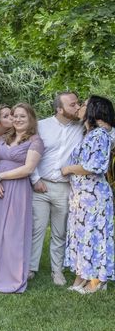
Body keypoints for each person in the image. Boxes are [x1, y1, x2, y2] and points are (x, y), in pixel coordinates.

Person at [0, 104, 44, 293]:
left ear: (31, 119)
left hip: (17, 188)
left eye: (22, 116)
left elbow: (28, 169)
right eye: (15, 116)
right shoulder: (2, 138)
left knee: (12, 233)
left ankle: (10, 277)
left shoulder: (35, 141)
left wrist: (0, 177)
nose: (17, 119)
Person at [29, 92, 83, 285]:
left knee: (60, 231)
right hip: (40, 185)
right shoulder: (42, 126)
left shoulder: (82, 127)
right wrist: (35, 179)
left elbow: (110, 134)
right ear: (59, 109)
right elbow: (31, 154)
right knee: (37, 229)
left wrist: (86, 116)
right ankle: (30, 268)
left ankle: (57, 270)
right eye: (72, 104)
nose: (77, 107)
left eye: (78, 103)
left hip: (65, 187)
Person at [63, 96, 115, 294]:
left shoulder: (100, 134)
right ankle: (81, 277)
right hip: (81, 195)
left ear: (94, 109)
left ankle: (96, 281)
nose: (79, 107)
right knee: (81, 236)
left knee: (94, 237)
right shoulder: (89, 134)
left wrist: (68, 169)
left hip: (94, 196)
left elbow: (95, 166)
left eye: (83, 104)